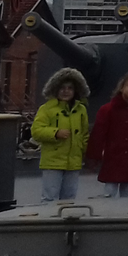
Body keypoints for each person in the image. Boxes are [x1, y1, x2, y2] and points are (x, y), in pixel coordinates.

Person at [85, 72, 128, 198]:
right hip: (112, 158)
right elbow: (98, 135)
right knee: (109, 192)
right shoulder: (107, 110)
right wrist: (94, 157)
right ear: (121, 88)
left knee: (127, 193)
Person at [31, 67, 90, 202]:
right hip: (52, 162)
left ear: (76, 91)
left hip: (74, 162)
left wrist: (86, 153)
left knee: (69, 199)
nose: (66, 91)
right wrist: (55, 133)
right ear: (55, 89)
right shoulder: (46, 109)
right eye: (62, 88)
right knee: (49, 198)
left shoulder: (81, 110)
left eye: (70, 88)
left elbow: (84, 134)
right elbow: (36, 131)